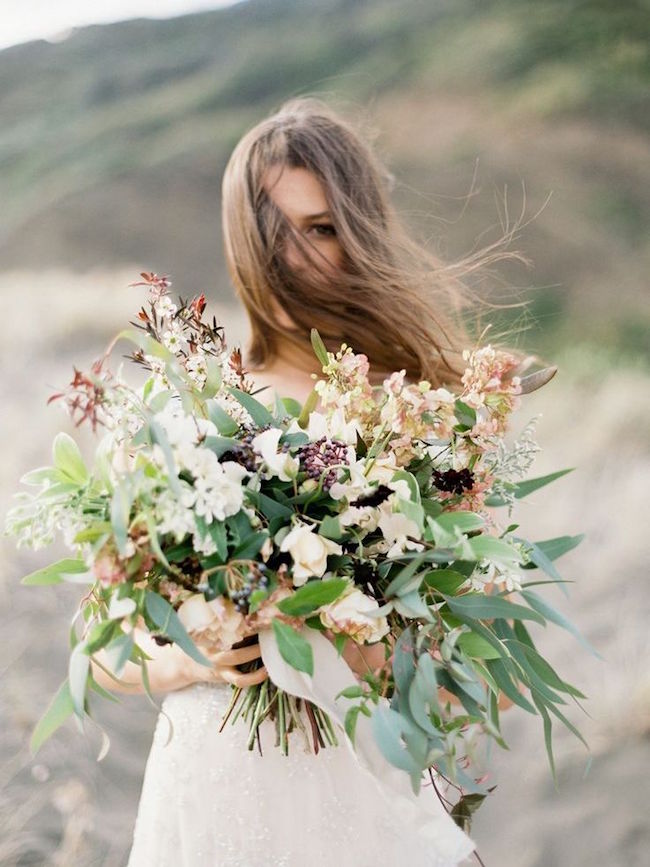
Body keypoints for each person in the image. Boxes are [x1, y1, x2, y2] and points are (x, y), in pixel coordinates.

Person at [93, 96, 523, 866]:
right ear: (242, 237)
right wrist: (201, 655)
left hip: (359, 798)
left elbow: (467, 660)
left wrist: (375, 647)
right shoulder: (191, 414)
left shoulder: (417, 413)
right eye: (276, 231)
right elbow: (103, 650)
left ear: (360, 228)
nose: (296, 258)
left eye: (322, 228)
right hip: (217, 794)